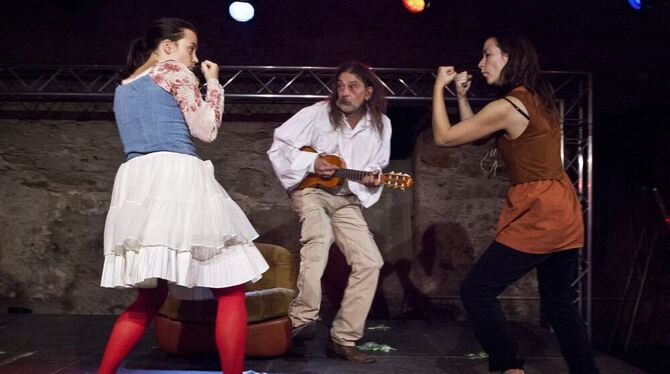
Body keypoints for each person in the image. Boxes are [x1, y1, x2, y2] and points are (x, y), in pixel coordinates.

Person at [99, 18, 268, 374]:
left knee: (150, 295)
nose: (194, 57)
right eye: (191, 47)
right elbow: (206, 130)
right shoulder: (172, 70)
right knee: (232, 289)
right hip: (176, 176)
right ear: (166, 47)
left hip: (138, 183)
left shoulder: (123, 86)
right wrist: (213, 83)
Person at [432, 33, 599, 374]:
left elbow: (446, 137)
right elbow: (477, 135)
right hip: (562, 207)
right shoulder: (536, 98)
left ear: (509, 57)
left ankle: (510, 367)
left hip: (539, 213)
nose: (480, 63)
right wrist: (461, 97)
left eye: (487, 54)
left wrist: (438, 88)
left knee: (477, 291)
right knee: (559, 303)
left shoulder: (508, 106)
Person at [267, 62, 391, 364]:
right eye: (340, 85)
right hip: (311, 192)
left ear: (368, 92)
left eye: (353, 86)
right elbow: (280, 144)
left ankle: (344, 338)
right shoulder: (318, 113)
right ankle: (301, 319)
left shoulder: (381, 124)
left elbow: (377, 164)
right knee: (319, 240)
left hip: (346, 198)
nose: (344, 92)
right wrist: (312, 164)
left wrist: (373, 176)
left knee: (370, 262)